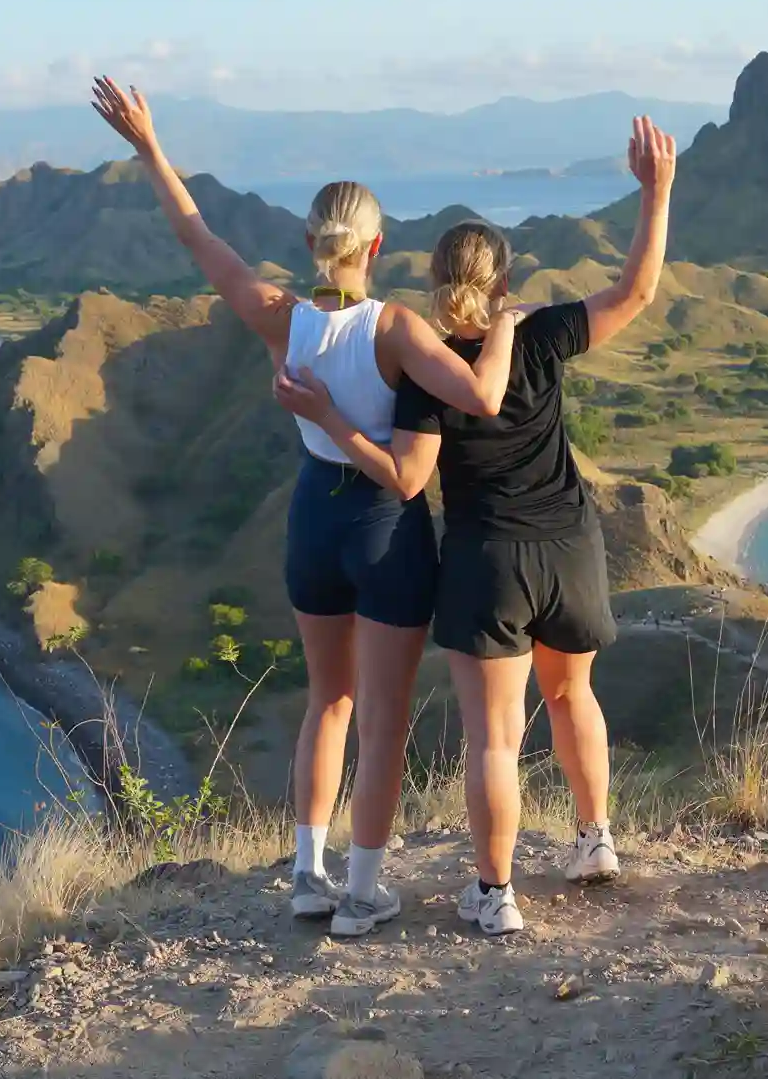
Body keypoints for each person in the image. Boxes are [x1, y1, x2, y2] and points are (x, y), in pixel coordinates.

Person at [92, 78, 519, 938]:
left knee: (328, 698)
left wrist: (149, 147)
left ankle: (306, 875)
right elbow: (477, 396)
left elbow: (197, 235)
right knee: (384, 720)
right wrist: (507, 322)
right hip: (384, 530)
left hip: (310, 524)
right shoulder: (395, 326)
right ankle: (362, 893)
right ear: (376, 243)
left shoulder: (282, 319)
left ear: (313, 242)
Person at [278, 116, 678, 937]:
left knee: (494, 734)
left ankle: (495, 895)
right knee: (574, 695)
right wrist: (656, 192)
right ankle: (594, 839)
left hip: (484, 561)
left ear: (431, 279)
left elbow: (408, 473)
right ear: (504, 280)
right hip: (569, 547)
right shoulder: (540, 332)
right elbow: (635, 291)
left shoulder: (430, 367)